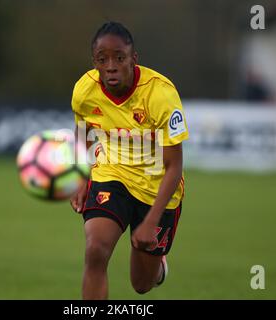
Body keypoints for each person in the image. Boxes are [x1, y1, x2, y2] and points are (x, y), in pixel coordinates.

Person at [70, 21, 189, 300]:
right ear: (95, 62)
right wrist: (80, 177)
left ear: (133, 59)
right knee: (95, 250)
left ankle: (157, 268)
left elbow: (175, 166)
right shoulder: (85, 91)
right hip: (111, 175)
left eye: (119, 58)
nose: (111, 66)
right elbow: (84, 133)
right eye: (103, 59)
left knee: (141, 284)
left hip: (156, 187)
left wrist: (151, 220)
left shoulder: (160, 94)